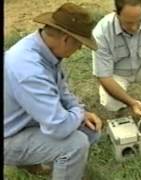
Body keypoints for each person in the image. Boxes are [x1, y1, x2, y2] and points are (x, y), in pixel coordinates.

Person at [4, 3, 103, 180]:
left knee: (90, 130)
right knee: (75, 144)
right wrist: (78, 113)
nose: (79, 48)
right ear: (66, 39)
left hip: (21, 118)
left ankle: (47, 163)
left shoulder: (43, 47)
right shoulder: (29, 70)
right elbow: (59, 127)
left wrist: (79, 110)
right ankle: (55, 163)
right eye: (79, 43)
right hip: (9, 135)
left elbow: (61, 88)